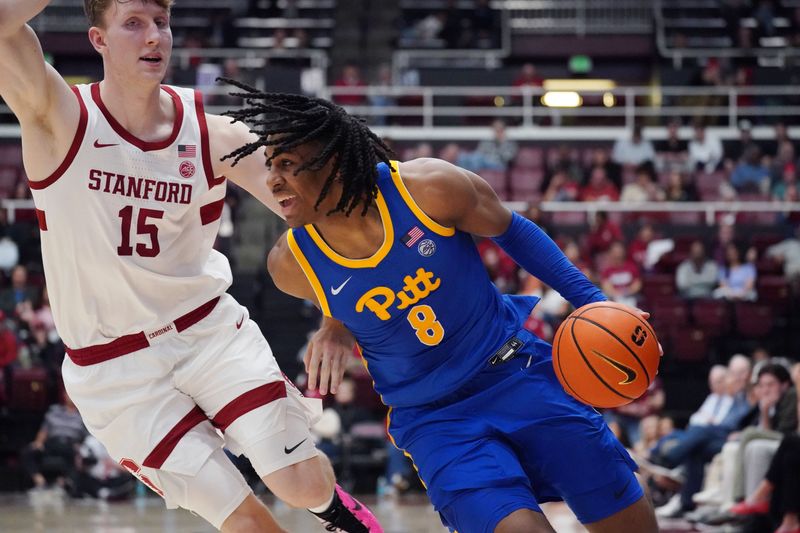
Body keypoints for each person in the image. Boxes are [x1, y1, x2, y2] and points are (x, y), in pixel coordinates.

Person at [0, 2, 381, 532]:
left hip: (206, 332)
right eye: (133, 23)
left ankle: (337, 513)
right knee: (248, 523)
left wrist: (336, 318)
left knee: (298, 482)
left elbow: (324, 214)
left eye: (161, 22)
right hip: (115, 369)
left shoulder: (213, 132)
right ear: (98, 39)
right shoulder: (57, 116)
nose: (153, 36)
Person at [225, 84, 659, 533]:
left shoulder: (428, 189)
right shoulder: (290, 265)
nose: (272, 181)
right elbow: (343, 290)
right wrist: (335, 325)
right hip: (436, 419)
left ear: (330, 161)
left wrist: (596, 303)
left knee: (630, 522)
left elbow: (514, 231)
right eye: (271, 166)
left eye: (288, 166)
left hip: (515, 371)